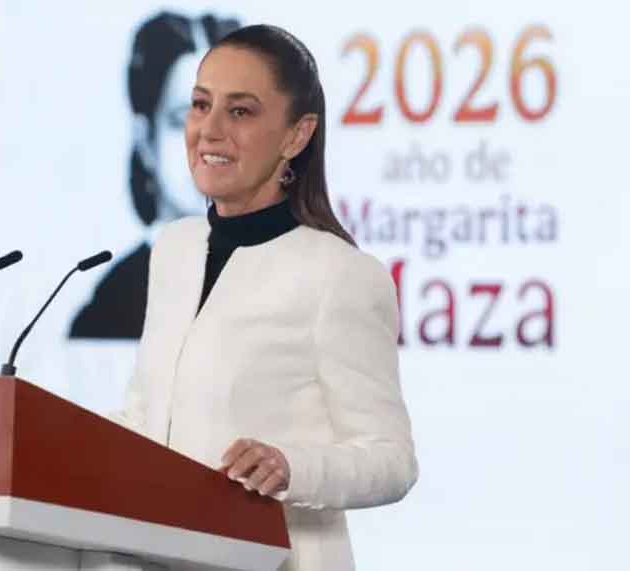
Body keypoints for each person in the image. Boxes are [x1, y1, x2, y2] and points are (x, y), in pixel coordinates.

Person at [113, 24, 418, 570]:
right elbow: (146, 413)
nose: (209, 130)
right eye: (200, 105)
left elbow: (392, 461)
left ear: (297, 135)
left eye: (240, 111)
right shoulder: (175, 249)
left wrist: (291, 467)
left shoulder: (340, 276)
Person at [70, 11, 240, 339]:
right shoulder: (111, 308)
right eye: (185, 119)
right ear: (147, 139)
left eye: (236, 116)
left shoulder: (279, 281)